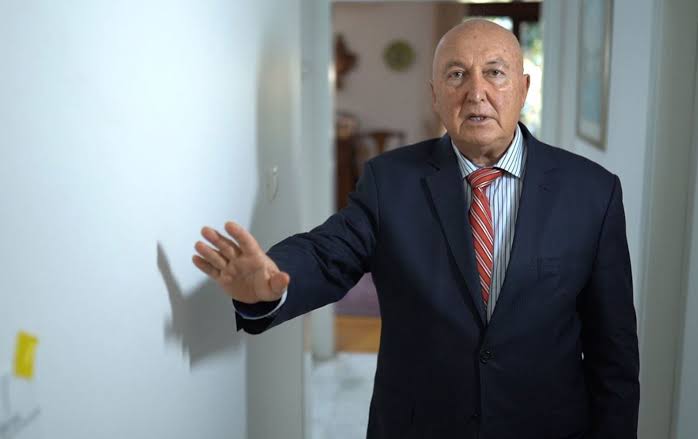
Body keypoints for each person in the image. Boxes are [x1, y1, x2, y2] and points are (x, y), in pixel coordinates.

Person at [192, 19, 640, 439]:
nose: (476, 92)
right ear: (435, 95)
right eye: (457, 75)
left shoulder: (592, 192)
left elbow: (613, 351)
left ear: (523, 88)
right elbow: (329, 252)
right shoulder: (389, 181)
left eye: (495, 73)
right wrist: (271, 282)